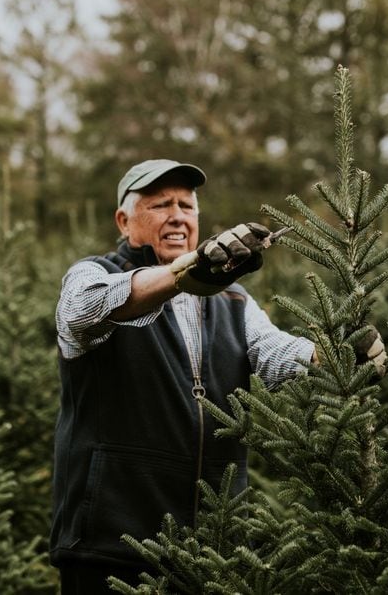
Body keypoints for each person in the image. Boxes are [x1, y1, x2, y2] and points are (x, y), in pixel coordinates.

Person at [50, 159, 316, 593]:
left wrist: (331, 356)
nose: (177, 215)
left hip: (214, 545)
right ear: (124, 220)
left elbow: (273, 352)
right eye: (159, 205)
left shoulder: (233, 296)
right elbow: (81, 312)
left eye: (187, 206)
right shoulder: (94, 274)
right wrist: (183, 274)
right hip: (111, 542)